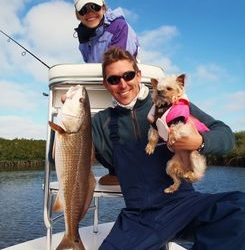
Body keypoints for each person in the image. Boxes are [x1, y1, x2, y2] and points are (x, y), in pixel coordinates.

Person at [91, 47, 245, 249]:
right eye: (113, 79)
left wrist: (199, 142)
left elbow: (225, 135)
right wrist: (67, 127)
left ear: (138, 75)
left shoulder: (173, 104)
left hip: (184, 204)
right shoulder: (100, 122)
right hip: (139, 217)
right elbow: (61, 158)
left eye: (128, 75)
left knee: (240, 209)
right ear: (106, 84)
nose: (122, 84)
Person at [73, 0, 139, 63]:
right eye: (83, 9)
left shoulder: (119, 26)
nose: (90, 13)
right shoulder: (83, 35)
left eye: (95, 7)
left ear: (103, 9)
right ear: (78, 15)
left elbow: (118, 67)